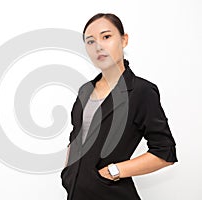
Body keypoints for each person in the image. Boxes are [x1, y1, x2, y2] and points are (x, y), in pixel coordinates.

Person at [60, 13, 178, 200]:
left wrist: (114, 171)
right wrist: (68, 171)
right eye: (90, 41)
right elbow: (77, 136)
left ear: (124, 40)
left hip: (110, 194)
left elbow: (165, 152)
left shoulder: (141, 91)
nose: (98, 46)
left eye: (106, 37)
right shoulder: (85, 91)